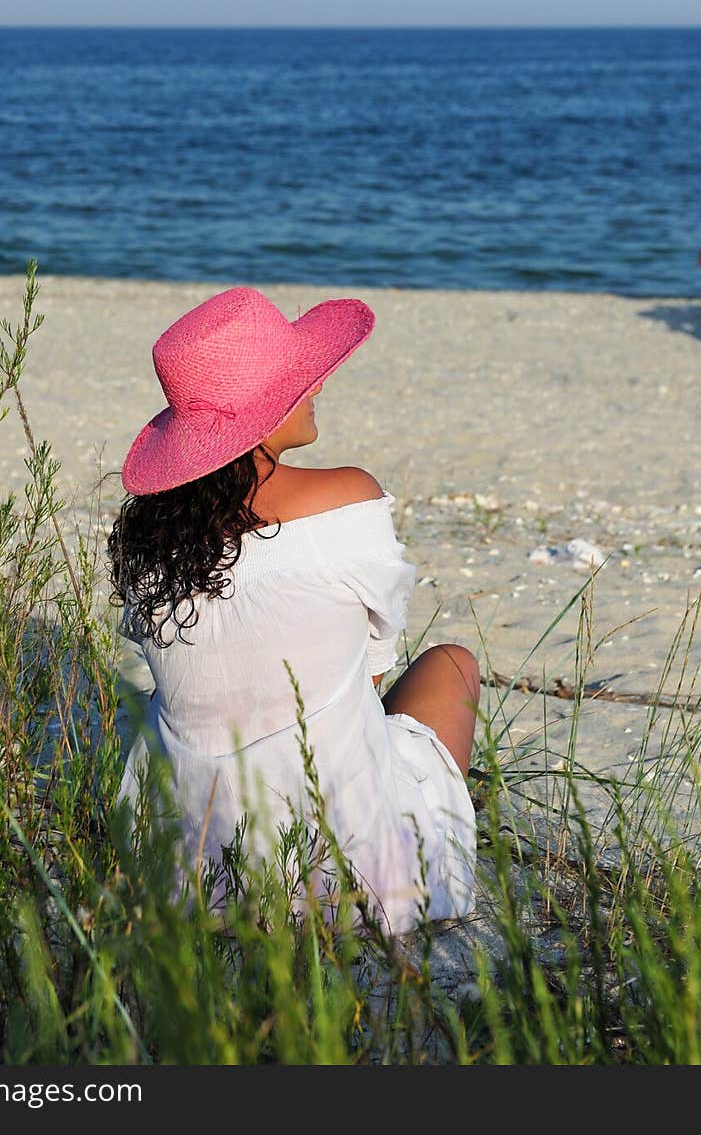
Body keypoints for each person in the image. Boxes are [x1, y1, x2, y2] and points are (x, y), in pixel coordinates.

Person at [108, 285, 479, 934]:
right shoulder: (347, 499)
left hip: (191, 874)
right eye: (297, 381)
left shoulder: (151, 542)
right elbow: (372, 671)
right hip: (354, 876)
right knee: (452, 664)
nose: (315, 388)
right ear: (258, 414)